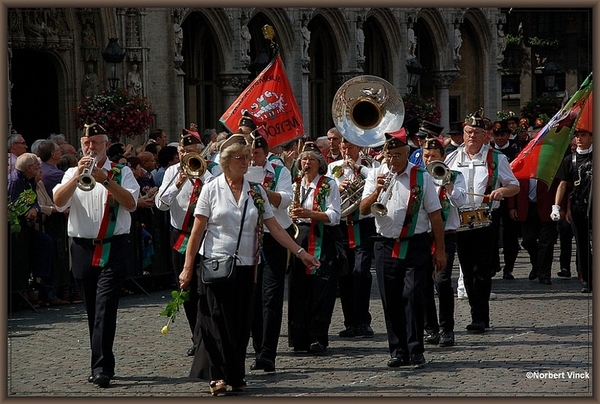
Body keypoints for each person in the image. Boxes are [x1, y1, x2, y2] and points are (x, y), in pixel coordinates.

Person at [179, 134, 319, 395]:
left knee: (240, 322)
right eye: (240, 157)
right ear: (226, 161)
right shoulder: (211, 188)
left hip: (246, 265)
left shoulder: (255, 190)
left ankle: (235, 373)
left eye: (247, 157)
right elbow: (197, 232)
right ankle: (217, 376)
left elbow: (274, 227)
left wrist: (300, 252)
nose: (246, 161)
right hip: (214, 263)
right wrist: (188, 267)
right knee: (215, 320)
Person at [53, 118, 140, 388]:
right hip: (82, 247)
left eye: (96, 143)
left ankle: (101, 367)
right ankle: (102, 359)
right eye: (87, 143)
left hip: (113, 246)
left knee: (104, 307)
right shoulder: (70, 173)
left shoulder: (121, 172)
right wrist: (78, 177)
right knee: (92, 309)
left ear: (106, 146)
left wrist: (107, 181)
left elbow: (131, 204)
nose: (91, 148)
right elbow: (58, 203)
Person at [359, 133, 446, 368]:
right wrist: (376, 191)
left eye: (398, 155)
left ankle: (416, 349)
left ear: (407, 154)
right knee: (390, 299)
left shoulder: (421, 176)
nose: (393, 159)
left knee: (414, 295)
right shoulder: (377, 174)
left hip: (414, 243)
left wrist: (440, 250)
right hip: (384, 244)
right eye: (389, 155)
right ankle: (397, 350)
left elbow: (435, 214)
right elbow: (363, 210)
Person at [445, 111, 520, 333]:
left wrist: (502, 191)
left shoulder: (497, 158)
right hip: (460, 217)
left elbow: (514, 185)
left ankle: (481, 316)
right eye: (468, 132)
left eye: (477, 133)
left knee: (482, 268)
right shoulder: (452, 158)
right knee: (467, 268)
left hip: (486, 218)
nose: (471, 136)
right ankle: (474, 311)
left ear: (485, 135)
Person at [156, 129, 214, 356]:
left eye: (190, 152)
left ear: (200, 152)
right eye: (182, 151)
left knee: (205, 289)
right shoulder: (171, 172)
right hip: (181, 236)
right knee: (186, 289)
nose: (185, 155)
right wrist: (178, 182)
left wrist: (201, 174)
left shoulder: (213, 171)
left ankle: (209, 334)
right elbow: (161, 204)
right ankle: (197, 337)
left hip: (206, 236)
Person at [288, 141, 341, 355]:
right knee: (298, 288)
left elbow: (335, 216)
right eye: (303, 159)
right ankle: (299, 337)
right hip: (299, 238)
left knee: (321, 288)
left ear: (319, 164)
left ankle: (318, 337)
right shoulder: (296, 185)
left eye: (310, 159)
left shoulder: (329, 184)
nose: (306, 163)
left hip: (322, 238)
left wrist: (309, 214)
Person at [248, 132, 294, 373]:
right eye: (249, 153)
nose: (252, 157)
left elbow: (286, 199)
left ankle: (268, 353)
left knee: (271, 296)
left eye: (256, 152)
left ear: (265, 153)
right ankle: (257, 348)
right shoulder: (238, 172)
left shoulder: (278, 171)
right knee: (252, 296)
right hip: (248, 239)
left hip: (274, 237)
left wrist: (264, 192)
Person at [327, 137, 379, 338]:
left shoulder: (370, 166)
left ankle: (364, 321)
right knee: (345, 274)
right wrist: (336, 189)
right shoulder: (332, 167)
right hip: (341, 225)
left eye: (351, 147)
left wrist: (358, 169)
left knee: (361, 272)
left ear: (359, 147)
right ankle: (350, 323)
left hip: (363, 224)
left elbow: (376, 184)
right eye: (344, 147)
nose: (347, 150)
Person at [421, 136, 466, 348]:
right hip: (422, 235)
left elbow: (460, 201)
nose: (429, 159)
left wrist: (449, 186)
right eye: (425, 155)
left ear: (443, 157)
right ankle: (430, 328)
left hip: (446, 235)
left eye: (433, 156)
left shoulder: (455, 176)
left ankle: (447, 328)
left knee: (442, 280)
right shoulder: (418, 176)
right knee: (423, 283)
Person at [552, 127, 593, 292]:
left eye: (583, 135)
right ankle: (586, 280)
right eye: (577, 136)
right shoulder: (570, 160)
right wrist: (557, 205)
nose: (579, 139)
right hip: (578, 206)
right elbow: (563, 184)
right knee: (582, 244)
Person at [509, 177, 559, 285]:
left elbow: (559, 185)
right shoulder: (522, 163)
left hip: (547, 207)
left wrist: (560, 207)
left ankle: (544, 274)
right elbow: (512, 183)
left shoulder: (549, 164)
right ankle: (536, 263)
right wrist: (512, 206)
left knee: (546, 242)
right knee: (528, 240)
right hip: (526, 207)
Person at [490, 120, 521, 280]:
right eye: (496, 135)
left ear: (508, 135)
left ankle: (508, 267)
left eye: (502, 134)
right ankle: (494, 264)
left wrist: (513, 206)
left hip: (509, 199)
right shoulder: (488, 152)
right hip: (492, 199)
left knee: (510, 236)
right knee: (492, 234)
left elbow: (516, 180)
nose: (499, 138)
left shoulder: (515, 151)